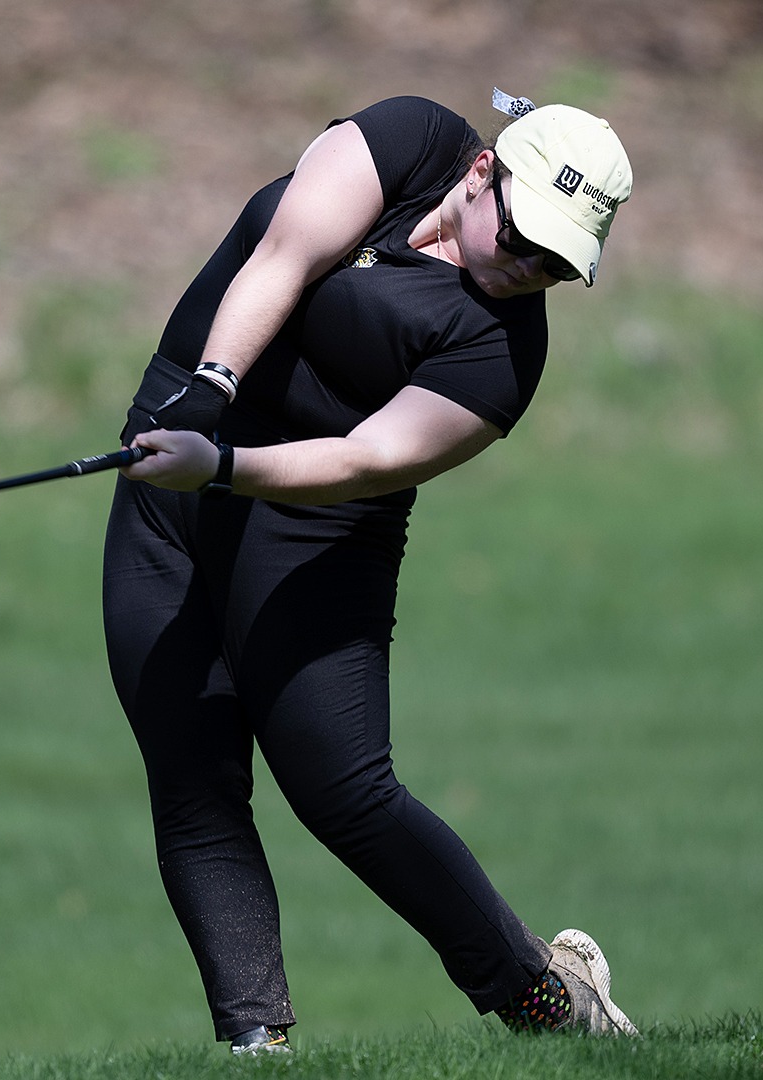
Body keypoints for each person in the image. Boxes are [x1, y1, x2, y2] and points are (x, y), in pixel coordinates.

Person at [101, 90, 635, 1055]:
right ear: (483, 174)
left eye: (558, 263)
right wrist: (211, 398)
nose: (529, 269)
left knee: (341, 790)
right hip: (174, 453)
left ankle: (548, 1001)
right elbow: (283, 257)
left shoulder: (502, 355)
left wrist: (218, 466)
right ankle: (255, 1045)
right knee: (189, 766)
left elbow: (361, 460)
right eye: (523, 234)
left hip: (313, 525)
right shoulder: (411, 142)